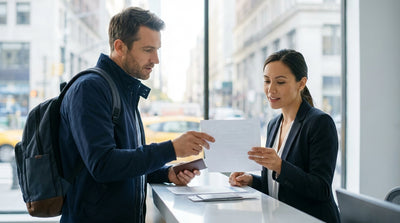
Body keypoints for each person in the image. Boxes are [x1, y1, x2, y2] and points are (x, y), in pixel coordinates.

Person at [59, 7, 215, 223]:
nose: (156, 59)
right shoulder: (90, 89)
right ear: (120, 46)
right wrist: (171, 148)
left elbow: (127, 162)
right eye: (148, 50)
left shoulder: (122, 90)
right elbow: (103, 165)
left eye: (157, 50)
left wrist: (165, 174)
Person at [229, 49, 340, 223]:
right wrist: (251, 181)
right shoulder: (274, 124)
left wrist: (280, 166)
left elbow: (321, 189)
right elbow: (277, 187)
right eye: (267, 81)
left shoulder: (320, 123)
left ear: (301, 83)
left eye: (280, 82)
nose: (270, 89)